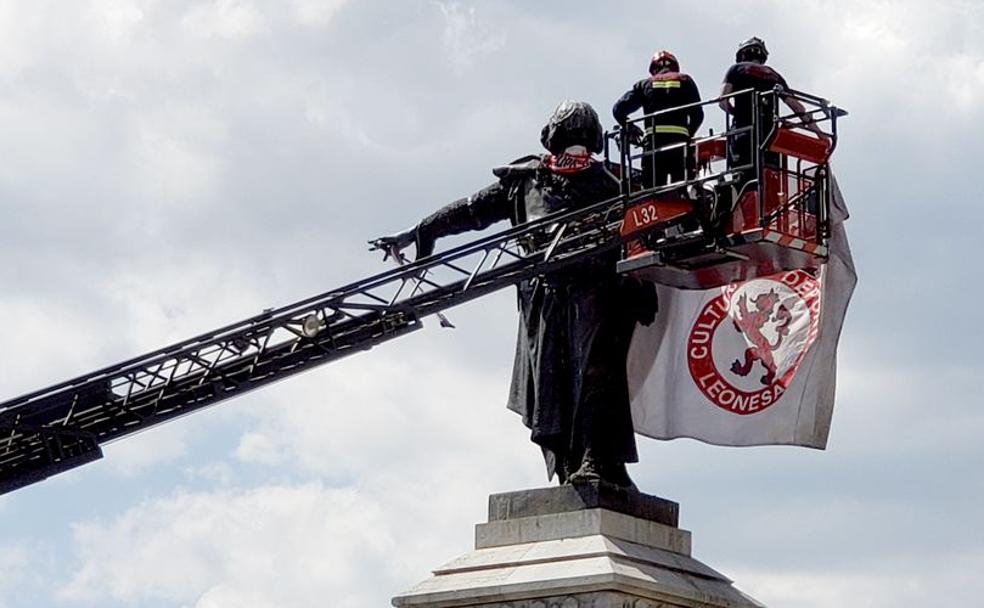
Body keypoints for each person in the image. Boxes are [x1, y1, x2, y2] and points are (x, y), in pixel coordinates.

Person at [371, 101, 657, 489]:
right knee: (555, 385)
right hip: (546, 299)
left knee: (597, 375)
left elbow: (645, 229)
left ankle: (599, 460)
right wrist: (421, 230)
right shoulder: (526, 181)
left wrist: (641, 283)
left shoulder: (611, 182)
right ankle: (574, 463)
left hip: (596, 293)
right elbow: (470, 211)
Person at [719, 37, 829, 172]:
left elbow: (722, 101)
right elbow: (797, 107)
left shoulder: (735, 69)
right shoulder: (773, 75)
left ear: (742, 55)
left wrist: (738, 114)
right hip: (770, 137)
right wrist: (821, 136)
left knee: (742, 176)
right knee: (769, 176)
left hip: (743, 134)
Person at [613, 50, 704, 189]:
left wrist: (630, 127)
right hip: (679, 146)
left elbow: (618, 110)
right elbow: (698, 116)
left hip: (654, 146)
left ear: (654, 69)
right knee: (681, 191)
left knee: (652, 192)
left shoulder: (644, 84)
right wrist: (688, 135)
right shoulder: (685, 81)